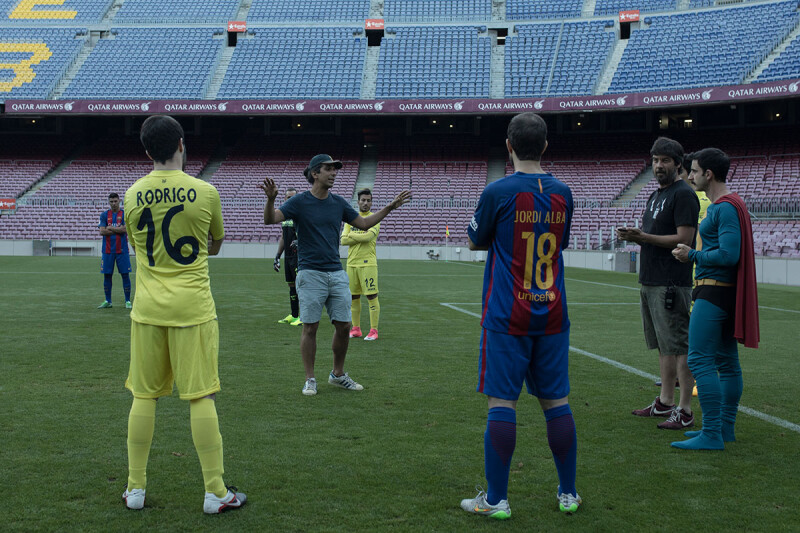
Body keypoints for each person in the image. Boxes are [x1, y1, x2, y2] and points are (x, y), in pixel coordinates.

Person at [122, 115, 245, 513]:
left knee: (143, 396)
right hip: (192, 308)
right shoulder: (205, 192)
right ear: (180, 144)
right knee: (200, 395)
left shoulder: (131, 195)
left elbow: (139, 249)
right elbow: (216, 245)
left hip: (146, 309)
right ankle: (215, 491)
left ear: (147, 152)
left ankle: (135, 489)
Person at [461, 112, 579, 520]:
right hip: (552, 313)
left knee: (502, 403)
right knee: (557, 403)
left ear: (508, 147)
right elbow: (558, 244)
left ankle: (496, 501)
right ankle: (568, 493)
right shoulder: (564, 192)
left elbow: (476, 241)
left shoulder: (498, 191)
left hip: (508, 314)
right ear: (545, 146)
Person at [260, 154, 411, 396]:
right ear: (314, 173)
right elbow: (270, 219)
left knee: (344, 326)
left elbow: (363, 224)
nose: (334, 173)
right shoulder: (299, 202)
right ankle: (310, 379)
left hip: (336, 272)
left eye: (335, 169)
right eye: (328, 169)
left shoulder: (338, 203)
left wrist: (390, 207)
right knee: (310, 327)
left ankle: (337, 374)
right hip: (310, 273)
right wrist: (270, 200)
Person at [671, 147, 759, 450]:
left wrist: (692, 254)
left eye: (694, 170)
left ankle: (711, 433)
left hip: (714, 291)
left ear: (708, 174)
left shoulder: (724, 207)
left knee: (699, 359)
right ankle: (724, 429)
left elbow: (729, 254)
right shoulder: (728, 205)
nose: (690, 175)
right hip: (721, 292)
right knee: (727, 362)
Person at [617, 137, 699, 431]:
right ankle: (665, 402)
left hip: (671, 283)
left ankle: (685, 409)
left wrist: (643, 238)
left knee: (680, 346)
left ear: (678, 164)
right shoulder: (656, 196)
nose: (658, 166)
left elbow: (684, 240)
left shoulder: (683, 195)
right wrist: (635, 235)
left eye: (665, 160)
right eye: (654, 160)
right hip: (650, 280)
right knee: (664, 346)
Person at [341, 188, 380, 341]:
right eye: (363, 200)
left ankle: (374, 330)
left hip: (368, 264)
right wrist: (360, 235)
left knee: (371, 296)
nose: (365, 203)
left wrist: (351, 234)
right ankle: (356, 329)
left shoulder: (374, 218)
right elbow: (343, 240)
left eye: (368, 200)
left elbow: (368, 237)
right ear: (358, 202)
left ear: (371, 202)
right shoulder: (351, 218)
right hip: (351, 264)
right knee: (353, 297)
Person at [98, 193, 132, 309]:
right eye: (111, 201)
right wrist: (119, 230)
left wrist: (111, 228)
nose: (113, 203)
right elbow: (102, 231)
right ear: (109, 202)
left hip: (122, 251)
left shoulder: (124, 214)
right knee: (107, 276)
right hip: (107, 251)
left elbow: (125, 229)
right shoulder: (104, 215)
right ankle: (108, 301)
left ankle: (127, 301)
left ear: (119, 201)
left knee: (125, 275)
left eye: (115, 201)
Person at [275, 187, 302, 326]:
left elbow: (309, 233)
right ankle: (294, 314)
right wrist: (278, 255)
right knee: (291, 285)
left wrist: (300, 240)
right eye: (288, 198)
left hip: (299, 257)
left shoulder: (301, 214)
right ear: (284, 199)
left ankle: (303, 317)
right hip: (288, 257)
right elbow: (283, 237)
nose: (290, 200)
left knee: (301, 287)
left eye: (293, 197)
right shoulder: (284, 216)